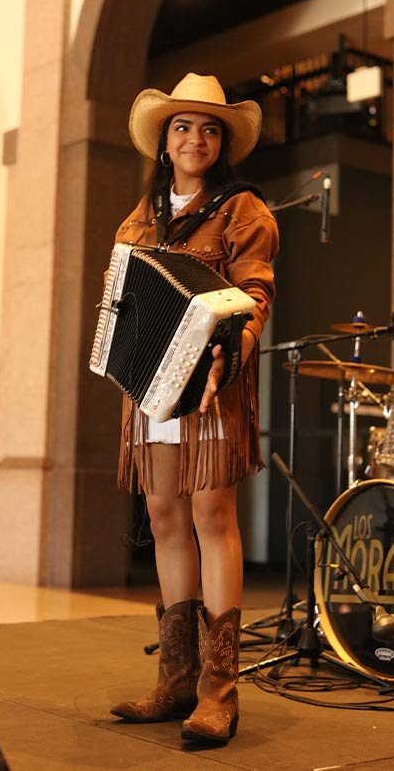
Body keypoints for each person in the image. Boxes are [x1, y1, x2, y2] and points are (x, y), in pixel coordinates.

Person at [108, 72, 279, 744]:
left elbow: (255, 296)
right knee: (164, 514)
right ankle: (175, 677)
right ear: (164, 140)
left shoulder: (245, 212)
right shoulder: (136, 220)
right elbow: (120, 305)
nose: (196, 138)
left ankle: (219, 689)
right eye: (183, 126)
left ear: (222, 144)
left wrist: (229, 352)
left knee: (213, 512)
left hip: (213, 382)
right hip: (153, 387)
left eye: (209, 129)